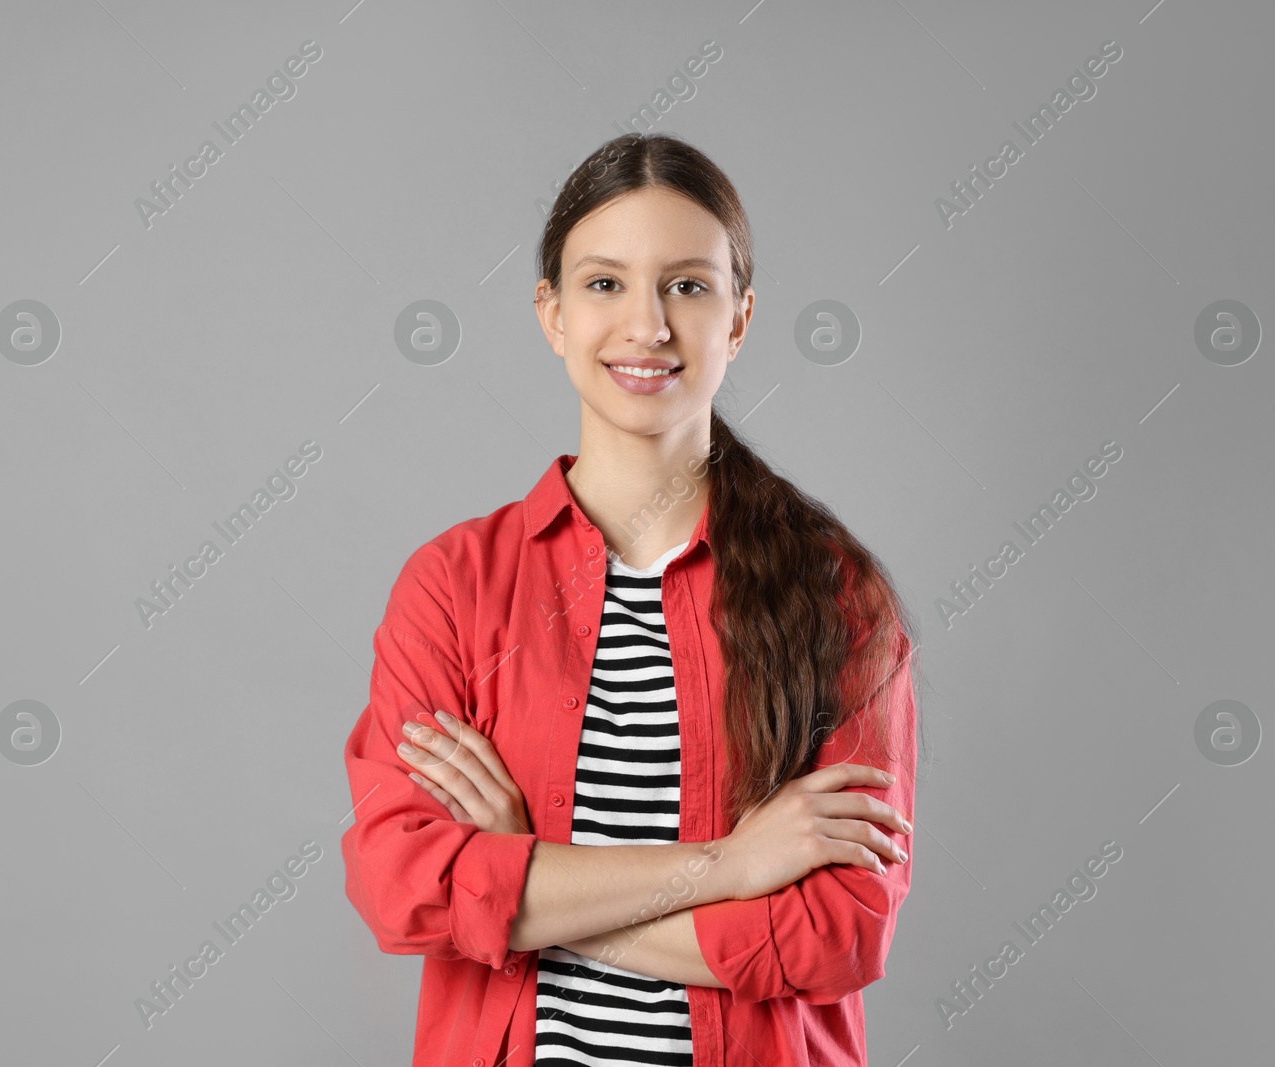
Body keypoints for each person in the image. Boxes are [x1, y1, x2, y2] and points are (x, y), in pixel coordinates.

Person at [341, 132, 923, 1067]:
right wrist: (729, 868)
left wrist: (527, 887)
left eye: (688, 286)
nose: (647, 326)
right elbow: (404, 884)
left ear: (738, 318)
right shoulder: (453, 587)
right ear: (552, 313)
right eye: (604, 284)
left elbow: (837, 931)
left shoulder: (834, 594)